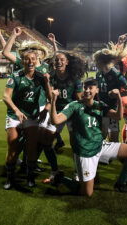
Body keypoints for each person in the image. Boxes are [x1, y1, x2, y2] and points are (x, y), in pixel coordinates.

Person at [50, 78, 127, 196]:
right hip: (85, 152)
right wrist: (53, 100)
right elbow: (55, 120)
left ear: (96, 90)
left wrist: (119, 97)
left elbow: (118, 117)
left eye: (90, 88)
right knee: (87, 193)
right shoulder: (74, 106)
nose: (87, 90)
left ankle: (121, 184)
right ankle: (60, 178)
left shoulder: (100, 106)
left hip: (100, 146)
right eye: (85, 88)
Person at [2, 50, 51, 189]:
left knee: (31, 147)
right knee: (13, 146)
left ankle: (30, 177)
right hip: (14, 116)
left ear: (37, 60)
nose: (30, 62)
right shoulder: (15, 76)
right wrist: (16, 110)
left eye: (33, 59)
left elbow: (50, 98)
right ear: (22, 61)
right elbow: (6, 96)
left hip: (32, 116)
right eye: (27, 59)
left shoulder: (41, 77)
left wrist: (45, 110)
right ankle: (9, 178)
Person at [39, 50, 86, 183]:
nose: (58, 62)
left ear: (67, 62)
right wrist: (47, 82)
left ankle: (78, 172)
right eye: (56, 60)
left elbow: (79, 98)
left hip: (71, 112)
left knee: (75, 144)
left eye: (61, 60)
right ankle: (54, 171)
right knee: (46, 142)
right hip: (57, 112)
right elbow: (49, 98)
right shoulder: (52, 76)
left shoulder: (74, 78)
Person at [93, 43, 127, 142]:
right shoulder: (98, 74)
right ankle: (101, 156)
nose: (95, 63)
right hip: (101, 109)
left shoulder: (115, 73)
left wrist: (118, 94)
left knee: (113, 139)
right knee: (101, 136)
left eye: (96, 61)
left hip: (113, 110)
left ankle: (112, 155)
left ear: (101, 61)